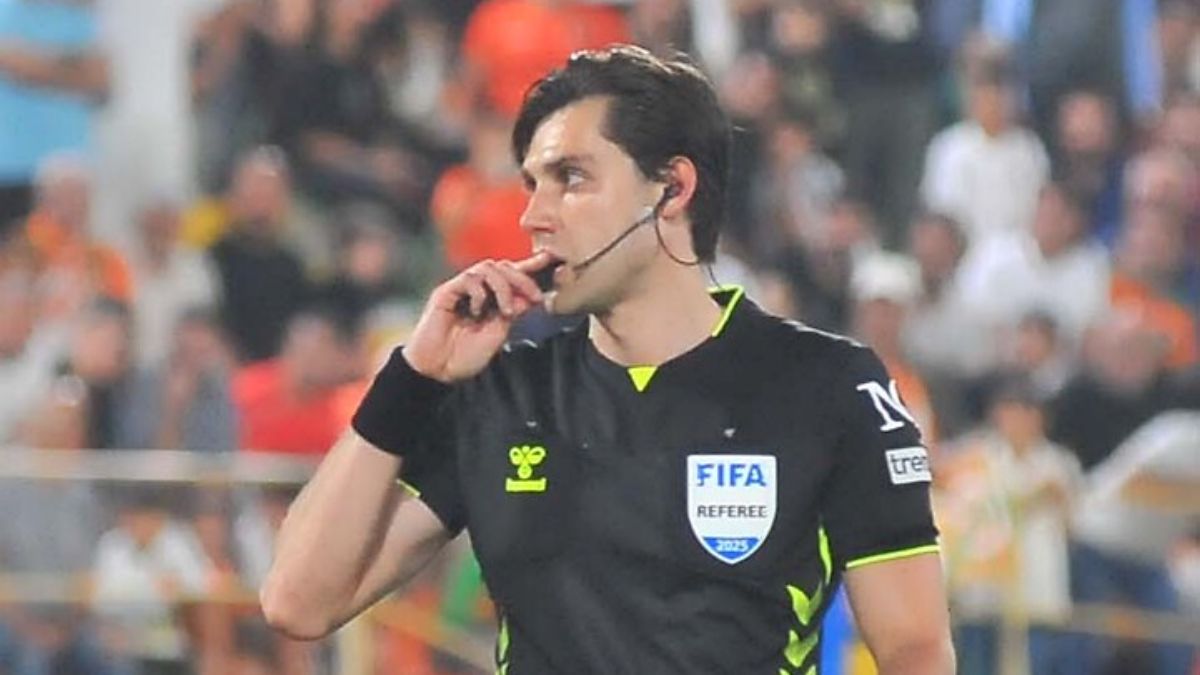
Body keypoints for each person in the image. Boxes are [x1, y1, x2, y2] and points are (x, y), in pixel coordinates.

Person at [262, 46, 953, 674]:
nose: (534, 216)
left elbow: (914, 650)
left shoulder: (829, 387)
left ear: (672, 189)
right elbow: (297, 601)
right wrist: (412, 376)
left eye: (571, 178)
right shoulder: (502, 396)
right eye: (532, 184)